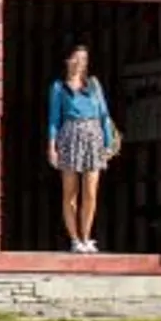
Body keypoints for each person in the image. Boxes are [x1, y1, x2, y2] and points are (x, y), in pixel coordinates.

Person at [46, 43, 118, 253]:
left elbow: (104, 115)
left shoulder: (94, 84)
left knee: (90, 192)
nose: (80, 63)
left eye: (84, 59)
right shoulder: (59, 87)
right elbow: (54, 119)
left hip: (93, 136)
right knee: (70, 193)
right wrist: (52, 147)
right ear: (68, 61)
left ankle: (87, 237)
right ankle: (75, 239)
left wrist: (108, 142)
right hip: (70, 136)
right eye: (76, 58)